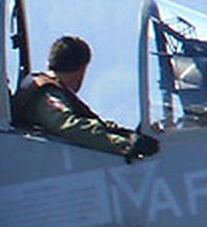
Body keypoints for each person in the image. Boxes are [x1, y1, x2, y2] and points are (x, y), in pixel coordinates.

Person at [12, 35, 160, 160]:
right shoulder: (46, 93)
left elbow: (92, 124)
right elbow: (71, 127)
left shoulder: (47, 88)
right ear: (82, 69)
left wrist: (128, 134)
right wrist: (126, 145)